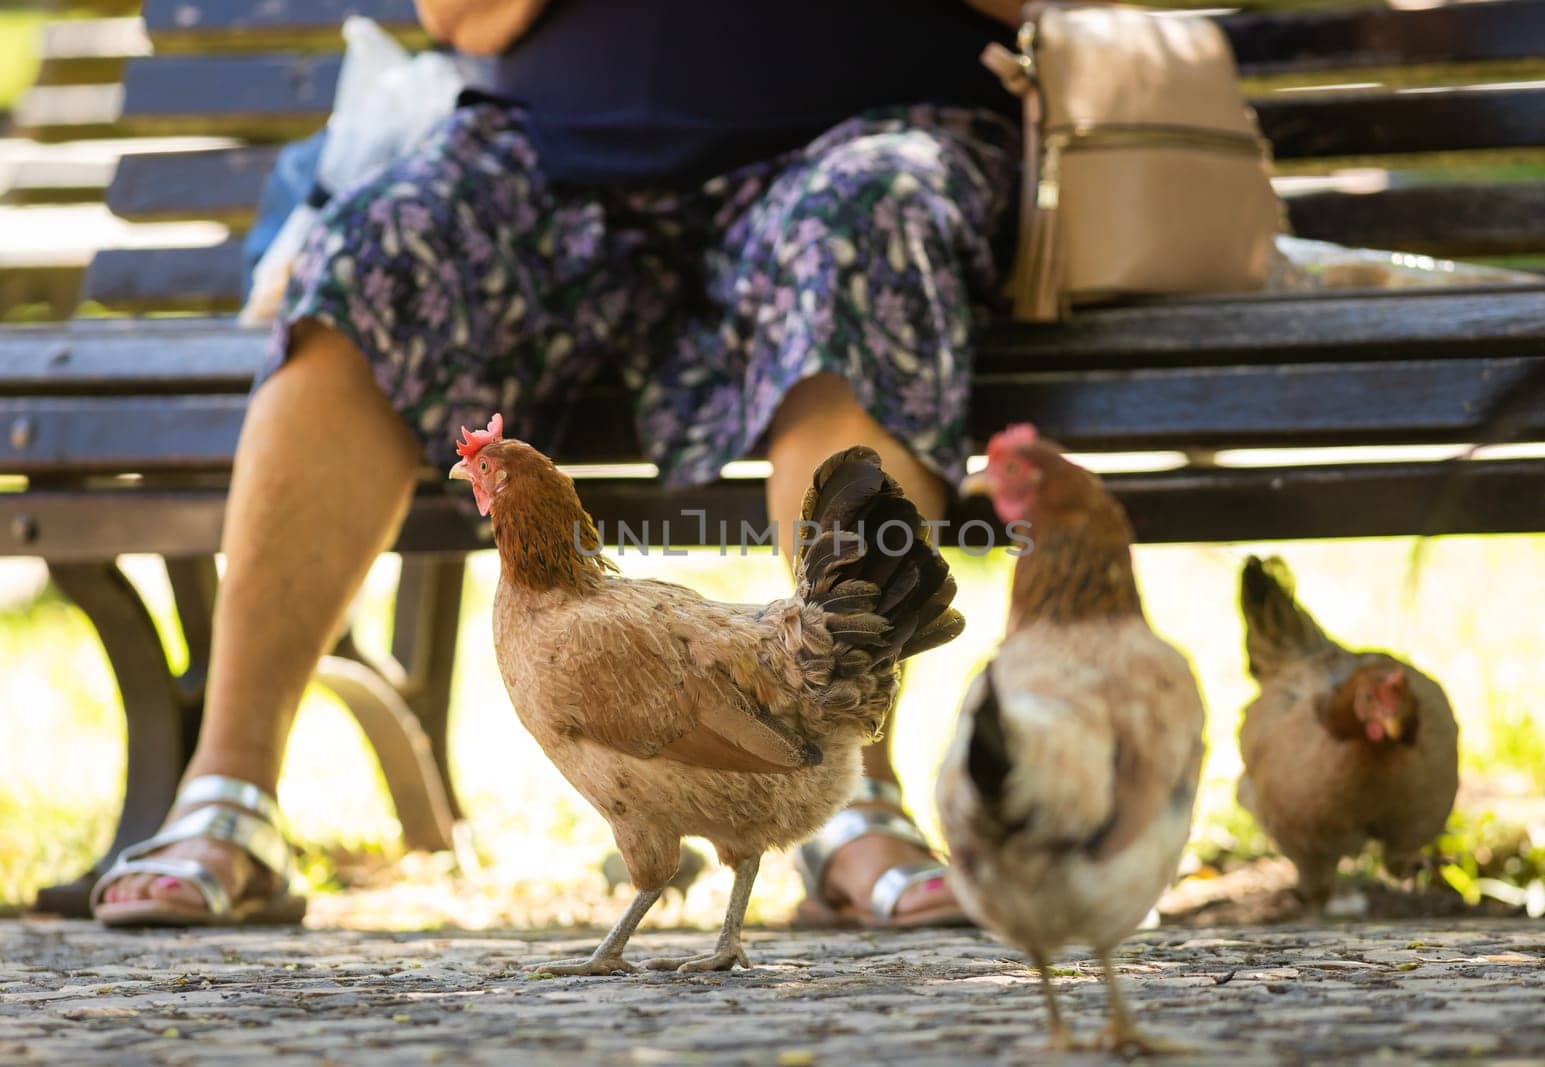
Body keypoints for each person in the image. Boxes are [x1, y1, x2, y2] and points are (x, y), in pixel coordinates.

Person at [91, 0, 1024, 928]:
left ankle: (849, 801)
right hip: (557, 146)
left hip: (861, 132)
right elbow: (462, 15)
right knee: (375, 253)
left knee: (867, 233)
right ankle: (231, 793)